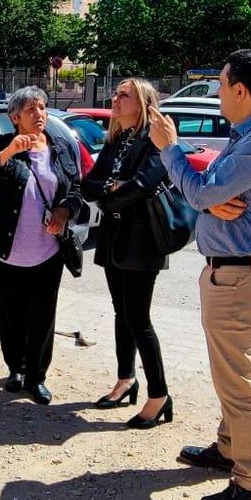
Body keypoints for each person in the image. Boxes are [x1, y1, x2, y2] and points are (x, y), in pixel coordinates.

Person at [148, 49, 251, 500]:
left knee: (237, 382)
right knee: (229, 372)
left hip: (243, 275)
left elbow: (199, 190)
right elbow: (209, 188)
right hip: (235, 271)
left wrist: (170, 149)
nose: (216, 92)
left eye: (220, 83)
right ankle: (229, 448)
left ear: (240, 90)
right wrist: (210, 196)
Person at [0, 86, 83, 406]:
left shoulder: (60, 148)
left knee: (42, 317)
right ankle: (15, 370)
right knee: (10, 315)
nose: (40, 114)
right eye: (32, 109)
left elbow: (75, 188)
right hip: (7, 250)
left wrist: (65, 211)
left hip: (47, 252)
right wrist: (6, 155)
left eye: (43, 108)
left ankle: (36, 377)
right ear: (15, 118)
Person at [81, 78, 173, 429]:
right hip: (114, 234)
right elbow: (90, 183)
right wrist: (111, 188)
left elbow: (143, 186)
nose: (114, 99)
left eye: (123, 95)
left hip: (143, 239)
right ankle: (126, 379)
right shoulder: (118, 139)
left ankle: (159, 394)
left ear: (143, 102)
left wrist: (111, 192)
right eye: (115, 94)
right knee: (121, 313)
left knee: (138, 318)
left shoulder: (155, 138)